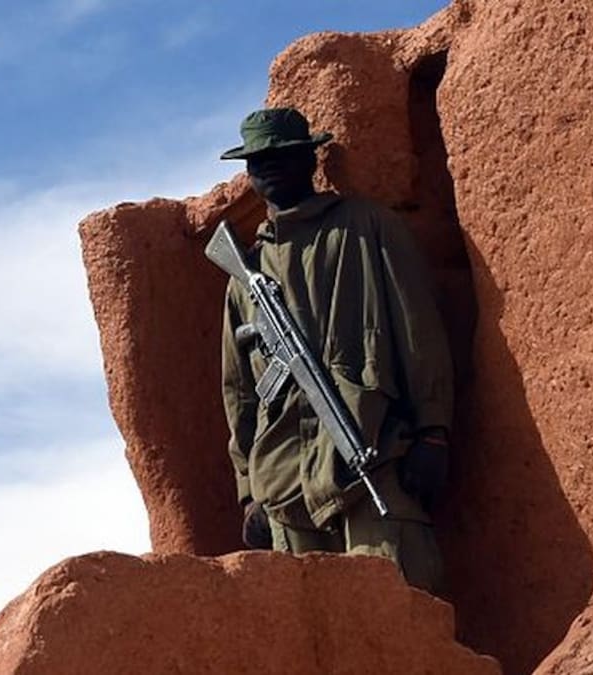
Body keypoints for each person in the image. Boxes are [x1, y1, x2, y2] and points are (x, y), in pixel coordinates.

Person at [219, 107, 453, 594]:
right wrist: (248, 492)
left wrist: (434, 431)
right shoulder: (246, 274)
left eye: (283, 155)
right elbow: (239, 390)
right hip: (284, 486)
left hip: (373, 464)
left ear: (310, 159)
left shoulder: (367, 227)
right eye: (258, 161)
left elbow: (418, 332)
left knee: (396, 608)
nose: (269, 167)